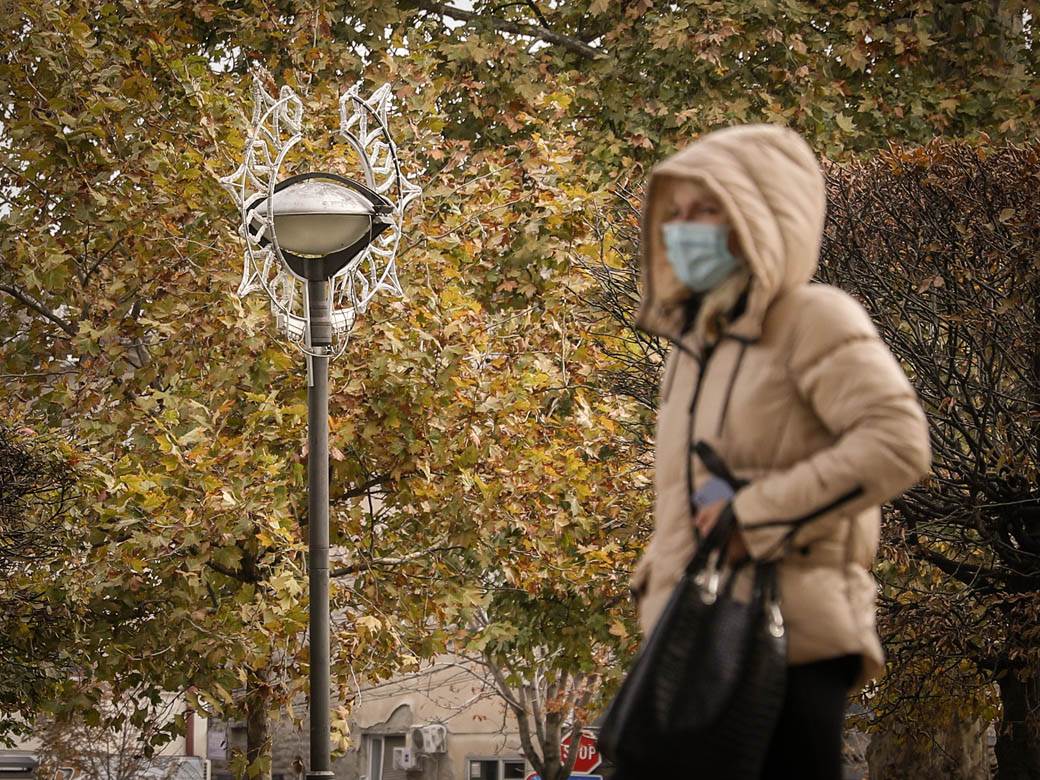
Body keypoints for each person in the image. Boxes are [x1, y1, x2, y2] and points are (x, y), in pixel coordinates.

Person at [626, 124, 932, 779]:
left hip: (787, 637)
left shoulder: (813, 317)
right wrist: (657, 572)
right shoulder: (693, 348)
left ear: (755, 213)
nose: (684, 228)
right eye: (674, 214)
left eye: (705, 209)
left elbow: (896, 442)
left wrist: (757, 515)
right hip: (695, 637)